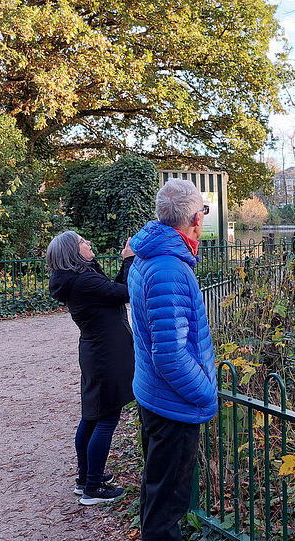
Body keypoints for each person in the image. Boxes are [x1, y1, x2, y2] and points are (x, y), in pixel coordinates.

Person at [128, 179, 218, 541]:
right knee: (167, 511)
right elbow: (170, 355)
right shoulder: (169, 270)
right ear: (195, 219)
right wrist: (205, 392)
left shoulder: (148, 255)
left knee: (156, 493)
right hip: (174, 405)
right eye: (204, 213)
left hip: (155, 396)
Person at [46, 231, 135, 505]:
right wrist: (130, 260)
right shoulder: (84, 281)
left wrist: (125, 262)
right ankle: (93, 488)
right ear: (73, 252)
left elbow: (113, 295)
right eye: (83, 242)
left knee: (92, 416)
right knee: (106, 418)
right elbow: (128, 292)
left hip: (96, 353)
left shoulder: (79, 279)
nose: (89, 244)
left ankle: (86, 478)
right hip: (106, 356)